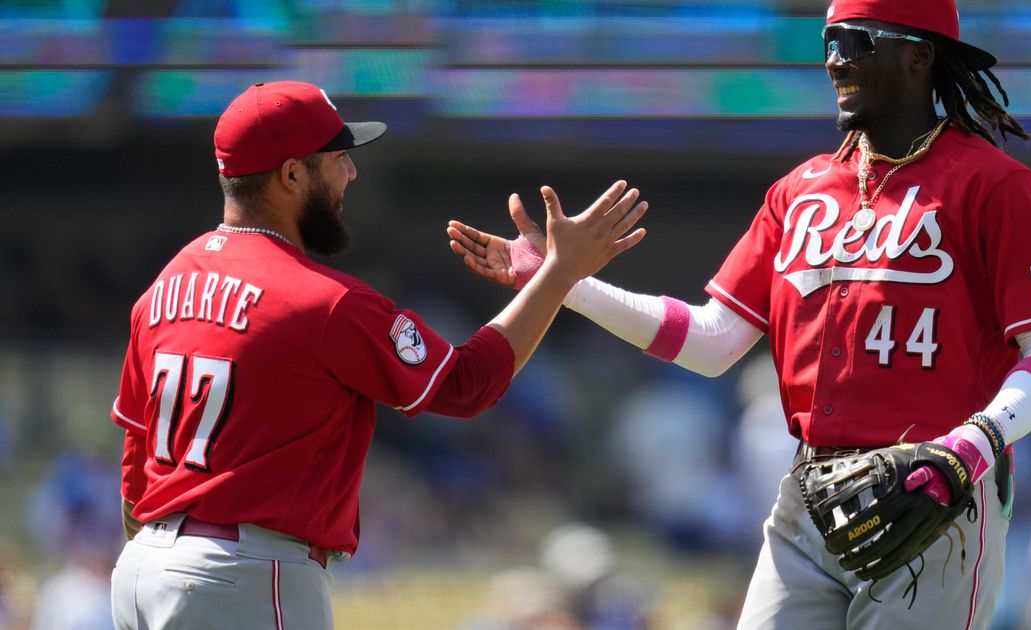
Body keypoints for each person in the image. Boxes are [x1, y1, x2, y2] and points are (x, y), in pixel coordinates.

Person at [446, 0, 1031, 627]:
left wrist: (969, 448)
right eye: (828, 41)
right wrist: (563, 282)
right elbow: (710, 341)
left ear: (919, 55)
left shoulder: (996, 186)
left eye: (856, 41)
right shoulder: (798, 191)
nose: (835, 61)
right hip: (811, 496)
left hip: (936, 495)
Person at [108, 80, 648, 630]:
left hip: (142, 568)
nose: (351, 173)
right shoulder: (324, 300)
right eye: (339, 158)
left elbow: (135, 454)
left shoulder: (167, 285)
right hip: (241, 574)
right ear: (292, 174)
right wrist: (560, 272)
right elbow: (465, 385)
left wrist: (162, 558)